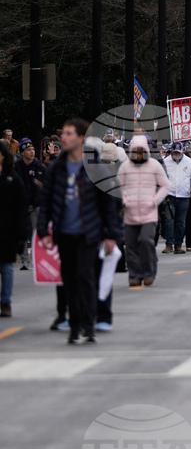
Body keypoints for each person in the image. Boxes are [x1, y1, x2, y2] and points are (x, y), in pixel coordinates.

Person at [37, 119, 121, 344]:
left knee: (85, 277)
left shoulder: (95, 168)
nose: (63, 138)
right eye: (62, 133)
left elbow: (108, 205)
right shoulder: (56, 168)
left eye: (68, 133)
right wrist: (43, 231)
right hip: (64, 234)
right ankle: (74, 326)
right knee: (69, 280)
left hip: (88, 233)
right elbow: (46, 203)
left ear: (81, 139)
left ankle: (88, 324)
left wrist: (112, 235)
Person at [118, 136, 170, 287]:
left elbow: (165, 185)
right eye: (136, 152)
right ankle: (134, 275)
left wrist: (154, 201)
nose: (138, 155)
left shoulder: (154, 165)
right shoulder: (125, 167)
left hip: (149, 213)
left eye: (141, 152)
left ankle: (149, 273)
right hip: (130, 214)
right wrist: (124, 199)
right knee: (131, 245)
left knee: (147, 241)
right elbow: (117, 186)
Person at [0, 141, 30, 317]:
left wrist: (21, 232)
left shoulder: (12, 177)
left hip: (7, 229)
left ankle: (5, 302)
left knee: (6, 266)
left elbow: (22, 205)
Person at [162, 142, 191, 255]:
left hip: (184, 196)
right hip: (169, 195)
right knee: (169, 220)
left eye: (179, 152)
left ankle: (178, 244)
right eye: (174, 152)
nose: (176, 154)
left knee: (181, 222)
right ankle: (169, 244)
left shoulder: (189, 163)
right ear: (171, 151)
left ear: (182, 151)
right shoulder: (165, 162)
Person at [14, 137, 46, 270]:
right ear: (22, 152)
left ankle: (36, 260)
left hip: (36, 205)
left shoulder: (40, 167)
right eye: (28, 150)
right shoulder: (16, 167)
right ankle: (24, 261)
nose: (32, 152)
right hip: (21, 206)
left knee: (36, 232)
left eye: (33, 149)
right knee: (21, 233)